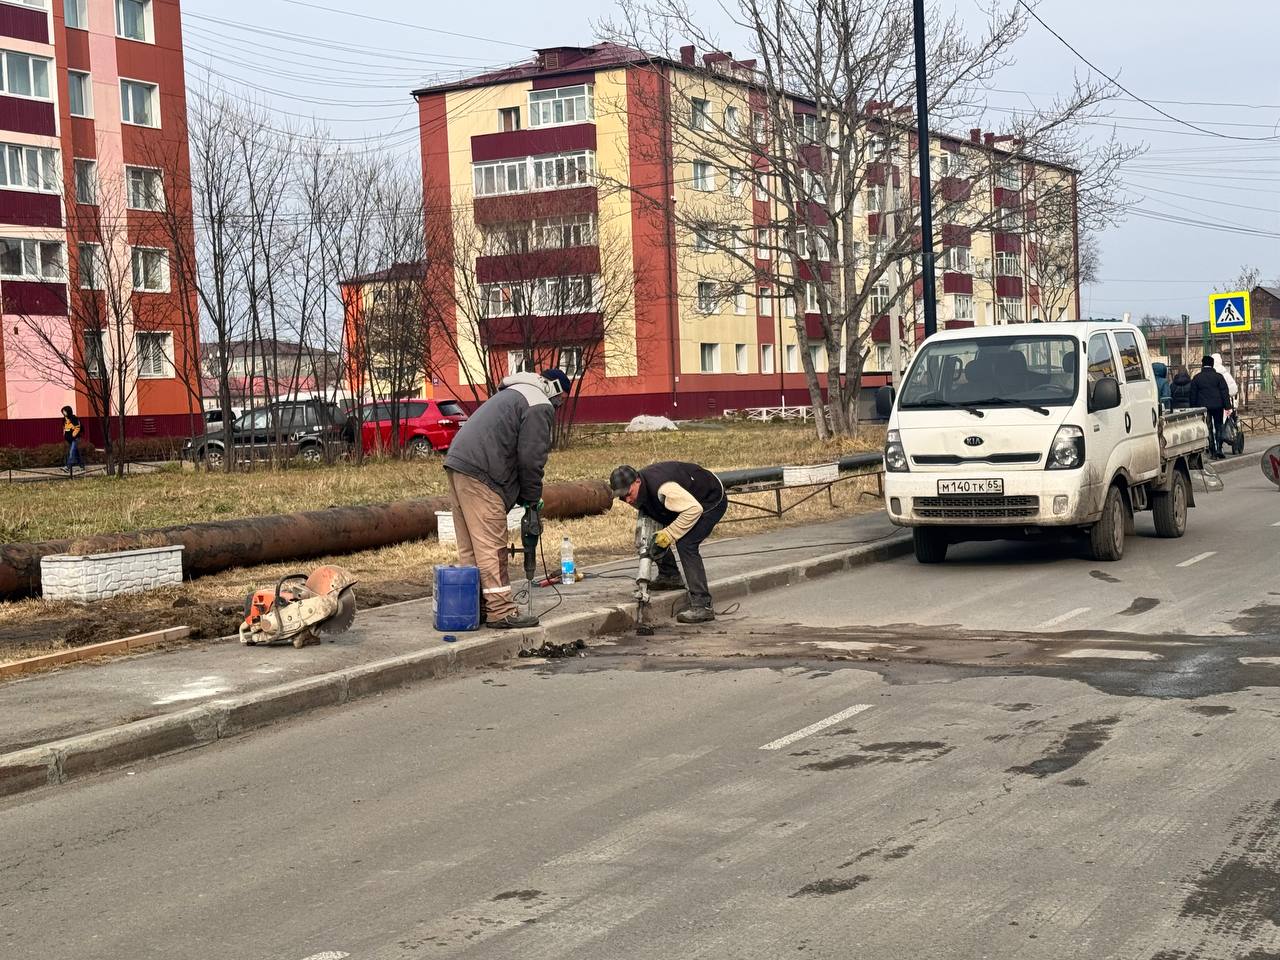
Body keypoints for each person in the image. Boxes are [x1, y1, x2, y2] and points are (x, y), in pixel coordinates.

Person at [443, 368, 568, 629]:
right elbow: (531, 458)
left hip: (458, 463)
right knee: (492, 546)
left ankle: (475, 607)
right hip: (483, 471)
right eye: (562, 399)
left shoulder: (514, 392)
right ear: (555, 389)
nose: (559, 405)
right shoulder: (539, 403)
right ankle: (500, 610)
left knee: (471, 548)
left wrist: (520, 494)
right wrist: (531, 498)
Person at [610, 461, 727, 624]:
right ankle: (670, 576)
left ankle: (703, 605)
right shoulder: (640, 490)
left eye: (628, 494)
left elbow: (694, 510)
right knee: (652, 538)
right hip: (683, 503)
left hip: (708, 500)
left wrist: (669, 534)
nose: (627, 500)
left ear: (637, 481)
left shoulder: (663, 488)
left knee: (686, 543)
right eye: (622, 497)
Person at [1190, 355, 1231, 460]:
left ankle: (1212, 450)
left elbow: (1193, 394)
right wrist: (1227, 406)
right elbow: (1224, 392)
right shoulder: (1219, 377)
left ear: (1202, 364)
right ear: (1212, 365)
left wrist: (1193, 408)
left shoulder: (1197, 378)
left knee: (1208, 428)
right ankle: (1219, 449)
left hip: (1204, 408)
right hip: (1218, 406)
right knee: (1219, 427)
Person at [60, 405, 83, 476]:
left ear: (68, 411)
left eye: (64, 411)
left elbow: (77, 427)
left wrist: (73, 435)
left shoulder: (73, 418)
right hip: (69, 439)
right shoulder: (64, 419)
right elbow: (64, 428)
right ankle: (82, 466)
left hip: (75, 438)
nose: (63, 413)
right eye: (63, 412)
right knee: (76, 452)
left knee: (71, 452)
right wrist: (65, 434)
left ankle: (67, 467)